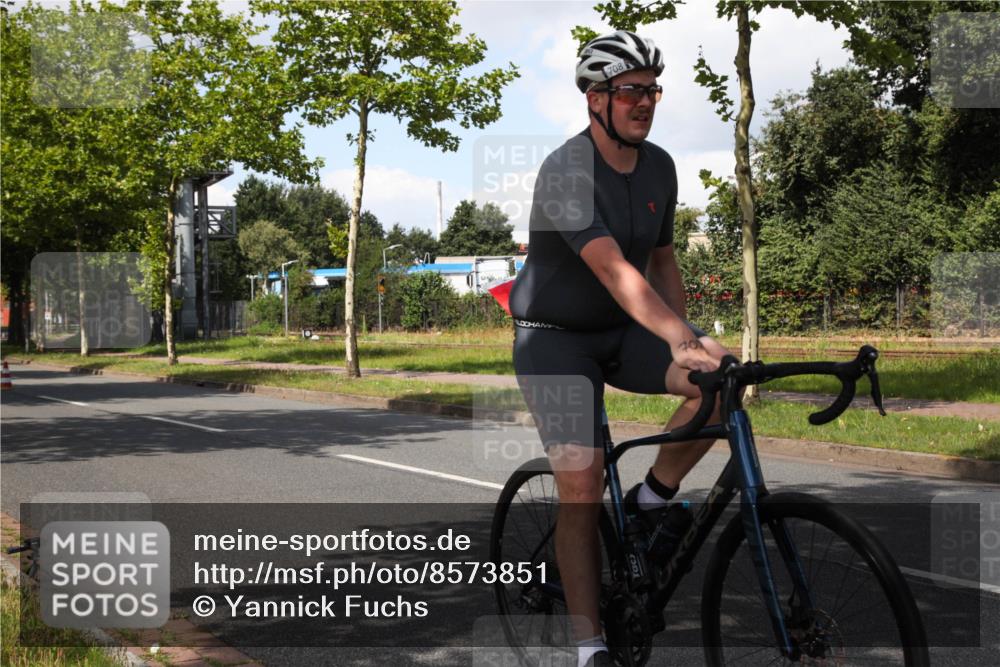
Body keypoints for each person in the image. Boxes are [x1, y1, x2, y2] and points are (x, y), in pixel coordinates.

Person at [508, 30, 731, 667]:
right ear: (596, 99)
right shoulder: (566, 170)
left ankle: (651, 500)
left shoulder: (660, 166)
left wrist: (687, 342)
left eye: (653, 91)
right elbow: (613, 269)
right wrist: (678, 337)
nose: (646, 102)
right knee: (581, 486)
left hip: (621, 332)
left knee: (723, 379)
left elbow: (662, 263)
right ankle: (589, 647)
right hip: (553, 341)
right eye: (631, 90)